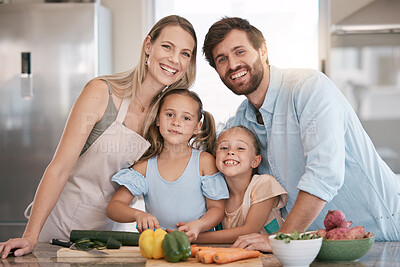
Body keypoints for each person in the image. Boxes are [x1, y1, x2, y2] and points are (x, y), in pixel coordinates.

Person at [0, 15, 198, 258]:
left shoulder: (165, 118)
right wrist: (30, 236)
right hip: (61, 230)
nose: (174, 59)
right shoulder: (101, 93)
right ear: (148, 46)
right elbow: (58, 168)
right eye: (167, 47)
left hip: (112, 238)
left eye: (185, 53)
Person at [202, 17, 400, 250]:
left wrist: (281, 239)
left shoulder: (308, 88)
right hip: (315, 246)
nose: (233, 64)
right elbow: (213, 163)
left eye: (240, 51)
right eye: (222, 59)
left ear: (263, 50)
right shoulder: (243, 119)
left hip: (382, 237)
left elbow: (323, 174)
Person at [107, 88, 229, 242]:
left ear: (197, 127)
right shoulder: (145, 166)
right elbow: (114, 207)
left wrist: (199, 225)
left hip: (198, 243)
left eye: (186, 118)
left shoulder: (204, 162)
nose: (176, 122)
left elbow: (217, 209)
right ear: (158, 120)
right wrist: (138, 215)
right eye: (169, 115)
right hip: (157, 244)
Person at [193, 125, 287, 244]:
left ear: (255, 161)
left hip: (274, 258)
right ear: (215, 157)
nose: (230, 152)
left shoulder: (264, 184)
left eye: (240, 148)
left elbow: (249, 230)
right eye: (224, 147)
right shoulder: (216, 196)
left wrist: (193, 237)